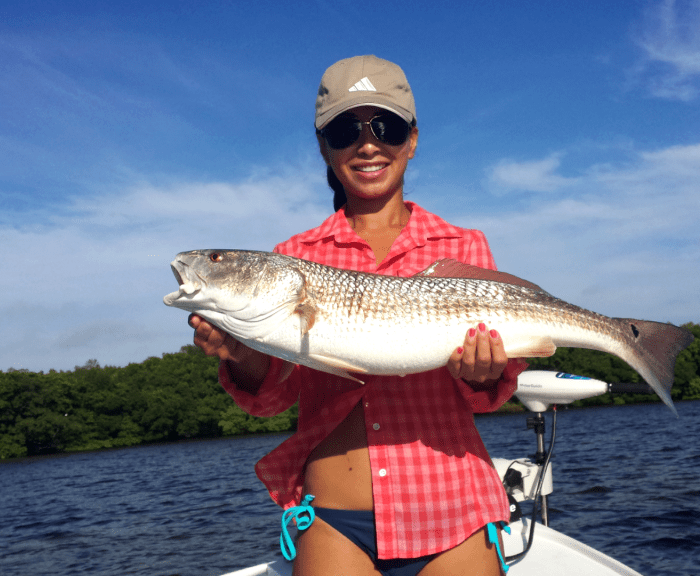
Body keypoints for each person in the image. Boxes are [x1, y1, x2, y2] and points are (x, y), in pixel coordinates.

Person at [189, 55, 526, 576]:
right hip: (332, 521)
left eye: (385, 126)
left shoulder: (463, 245)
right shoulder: (291, 258)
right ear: (324, 147)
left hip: (454, 507)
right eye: (346, 130)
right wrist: (240, 354)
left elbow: (485, 396)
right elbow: (271, 397)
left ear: (412, 139)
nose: (368, 145)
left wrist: (487, 373)